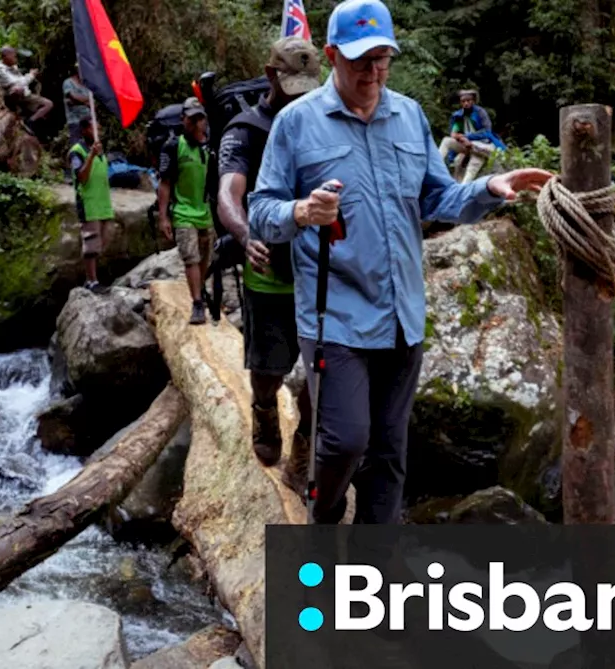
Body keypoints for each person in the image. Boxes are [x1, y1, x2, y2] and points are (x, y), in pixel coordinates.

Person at [248, 0, 553, 525]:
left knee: (389, 458)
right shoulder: (297, 124)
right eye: (362, 59)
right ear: (333, 55)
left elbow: (436, 199)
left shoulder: (408, 116)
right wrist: (301, 210)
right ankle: (324, 514)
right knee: (345, 440)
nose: (373, 71)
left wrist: (489, 188)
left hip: (402, 316)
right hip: (334, 316)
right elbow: (261, 211)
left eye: (383, 58)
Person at [216, 36, 322, 488]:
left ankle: (305, 444)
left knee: (327, 376)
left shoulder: (322, 122)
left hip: (322, 272)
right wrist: (245, 234)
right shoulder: (245, 129)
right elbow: (228, 192)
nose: (299, 95)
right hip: (270, 272)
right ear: (269, 74)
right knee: (268, 371)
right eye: (289, 83)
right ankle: (264, 412)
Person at [158, 97, 215, 325]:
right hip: (182, 212)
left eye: (200, 118)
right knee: (191, 258)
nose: (196, 123)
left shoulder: (210, 147)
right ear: (183, 120)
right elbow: (165, 183)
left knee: (204, 259)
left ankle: (200, 290)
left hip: (205, 212)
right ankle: (197, 303)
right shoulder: (173, 147)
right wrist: (164, 217)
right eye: (192, 119)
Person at [68, 117, 112, 292]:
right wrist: (92, 155)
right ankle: (91, 280)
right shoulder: (77, 152)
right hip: (88, 203)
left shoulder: (100, 150)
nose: (98, 132)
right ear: (85, 130)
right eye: (95, 128)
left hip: (103, 202)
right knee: (91, 243)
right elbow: (82, 176)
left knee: (104, 239)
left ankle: (96, 277)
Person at [437, 89, 507, 182]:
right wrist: (461, 138)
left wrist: (467, 137)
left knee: (475, 162)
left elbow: (487, 131)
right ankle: (436, 164)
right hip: (465, 144)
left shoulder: (480, 112)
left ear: (473, 101)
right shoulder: (458, 116)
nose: (466, 103)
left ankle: (465, 185)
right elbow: (454, 133)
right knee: (447, 140)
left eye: (468, 101)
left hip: (482, 145)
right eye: (463, 101)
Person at [0, 46, 52, 136]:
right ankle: (26, 116)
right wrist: (31, 75)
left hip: (25, 95)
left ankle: (30, 120)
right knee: (17, 89)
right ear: (6, 56)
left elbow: (22, 81)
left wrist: (32, 76)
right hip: (13, 97)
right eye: (14, 56)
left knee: (47, 105)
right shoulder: (1, 71)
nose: (15, 58)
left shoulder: (13, 67)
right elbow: (19, 84)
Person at [63, 66, 92, 146]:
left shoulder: (86, 84)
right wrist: (87, 101)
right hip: (75, 120)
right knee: (76, 146)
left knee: (90, 146)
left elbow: (92, 100)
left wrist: (80, 101)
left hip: (88, 120)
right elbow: (72, 98)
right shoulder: (68, 82)